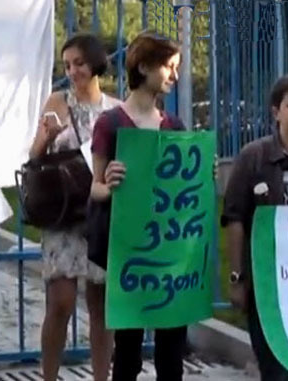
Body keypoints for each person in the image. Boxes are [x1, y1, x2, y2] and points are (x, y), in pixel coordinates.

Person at [89, 32, 188, 381]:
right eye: (169, 67)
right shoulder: (111, 124)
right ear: (144, 66)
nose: (175, 76)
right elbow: (95, 189)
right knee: (128, 349)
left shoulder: (175, 127)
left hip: (170, 248)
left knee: (172, 346)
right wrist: (110, 184)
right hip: (128, 250)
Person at [29, 33, 120, 381]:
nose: (73, 70)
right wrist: (47, 137)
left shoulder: (114, 109)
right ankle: (48, 375)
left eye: (79, 62)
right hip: (63, 212)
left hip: (99, 214)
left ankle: (101, 376)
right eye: (67, 65)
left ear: (95, 62)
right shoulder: (58, 100)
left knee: (101, 306)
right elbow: (34, 157)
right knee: (61, 303)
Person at [222, 73, 288, 381]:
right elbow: (234, 219)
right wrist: (237, 278)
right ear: (276, 112)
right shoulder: (254, 157)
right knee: (277, 371)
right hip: (268, 288)